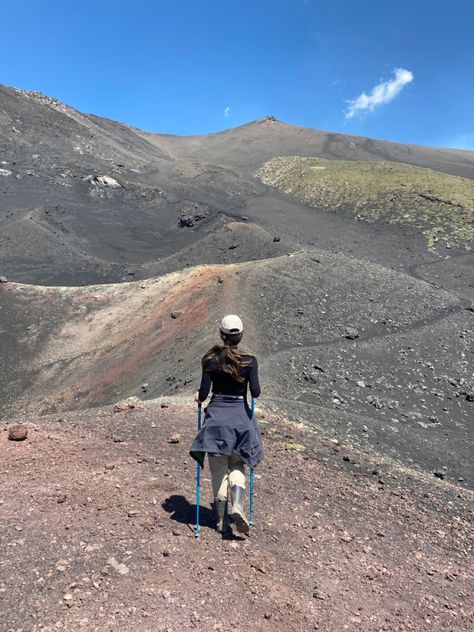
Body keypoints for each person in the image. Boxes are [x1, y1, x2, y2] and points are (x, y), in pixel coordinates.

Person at [190, 314, 263, 535]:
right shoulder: (249, 361)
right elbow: (256, 392)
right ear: (240, 336)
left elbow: (203, 394)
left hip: (216, 421)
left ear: (221, 335)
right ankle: (238, 506)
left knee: (218, 469)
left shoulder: (210, 360)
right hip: (240, 420)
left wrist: (198, 397)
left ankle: (220, 521)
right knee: (237, 465)